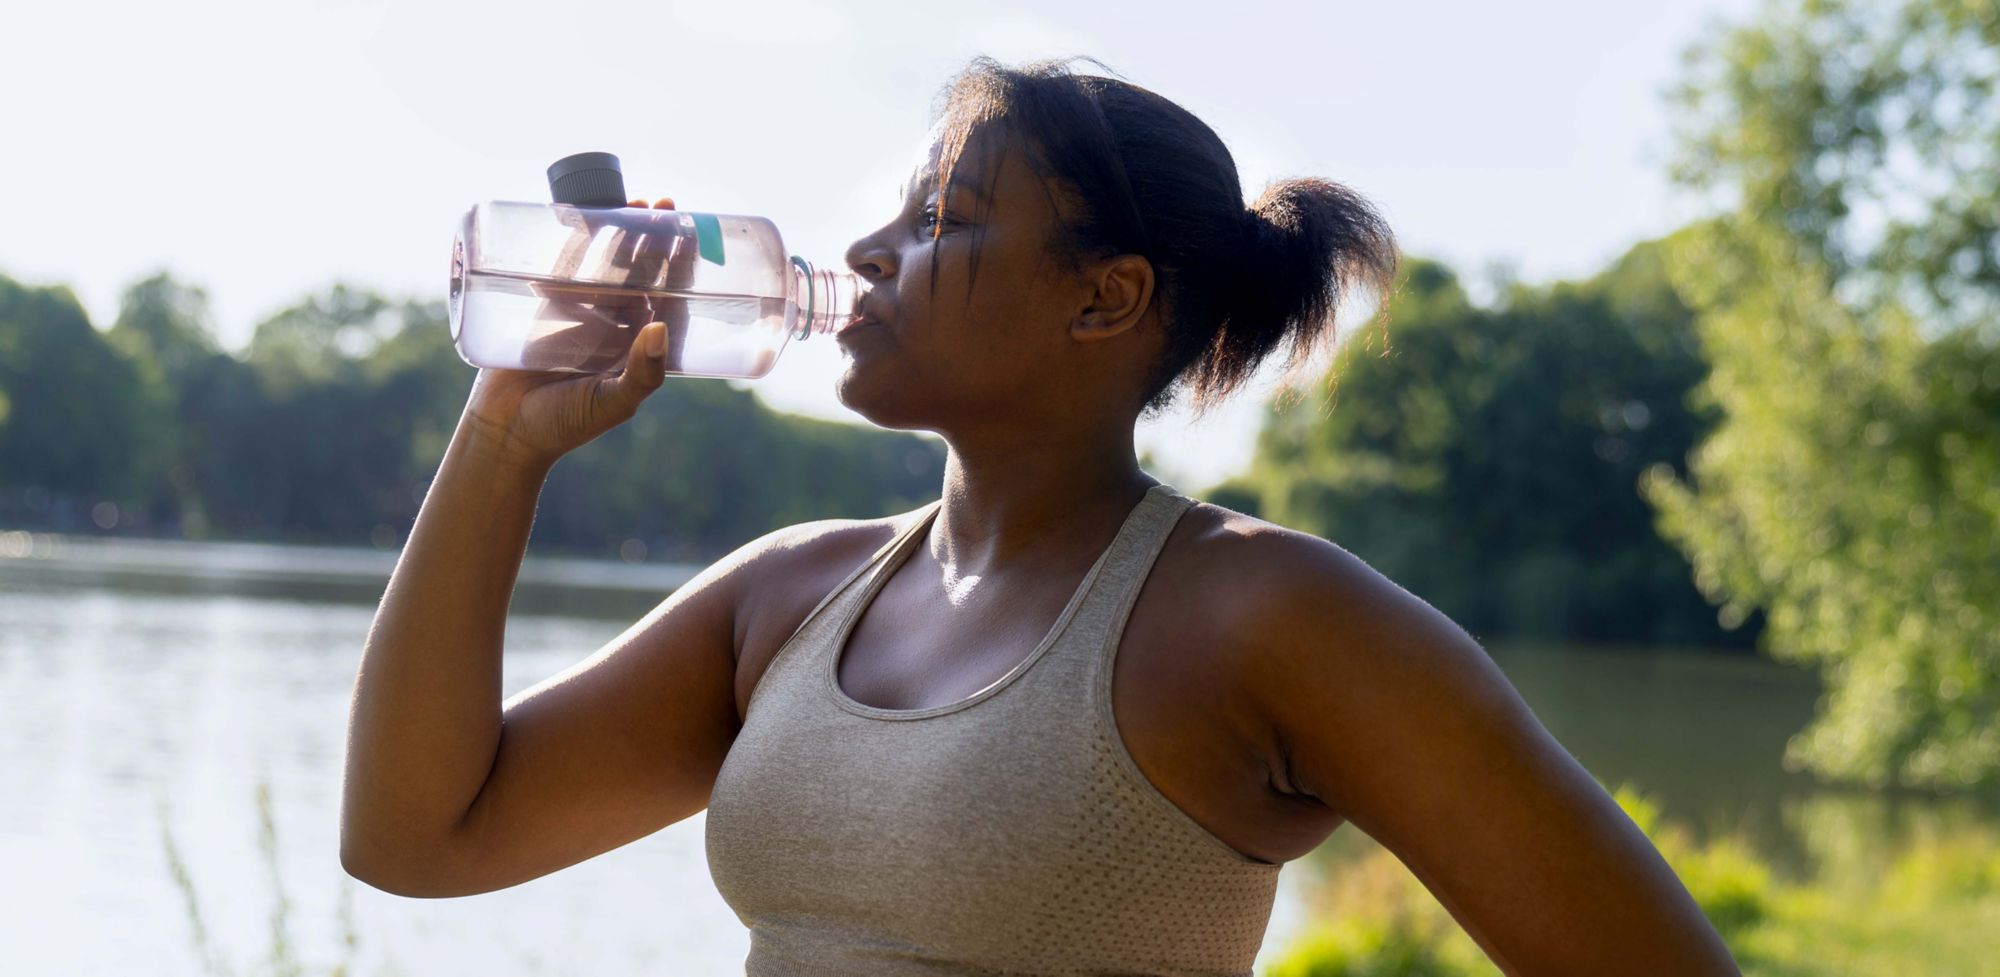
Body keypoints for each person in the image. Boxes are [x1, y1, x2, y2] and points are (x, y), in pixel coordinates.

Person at [340, 56, 1741, 976]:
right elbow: (416, 836)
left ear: (1105, 295)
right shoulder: (785, 598)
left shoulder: (1272, 616)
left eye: (945, 216)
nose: (874, 247)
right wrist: (505, 434)